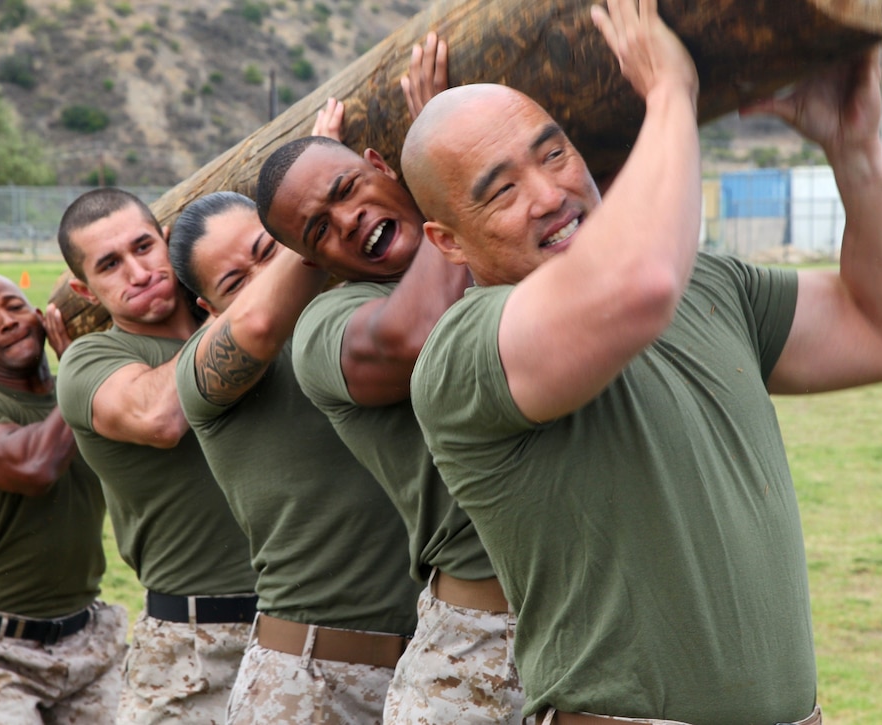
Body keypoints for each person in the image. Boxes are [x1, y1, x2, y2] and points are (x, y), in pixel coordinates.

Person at [400, 1, 882, 723]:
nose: (550, 194)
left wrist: (857, 152)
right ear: (448, 241)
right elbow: (639, 282)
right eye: (501, 190)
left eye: (554, 152)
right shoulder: (464, 354)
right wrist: (669, 90)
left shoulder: (709, 284)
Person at [255, 32, 529, 723]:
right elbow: (417, 334)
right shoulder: (329, 326)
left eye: (348, 188)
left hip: (595, 617)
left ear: (380, 164)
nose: (349, 220)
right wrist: (448, 155)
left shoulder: (498, 242)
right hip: (476, 650)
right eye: (318, 230)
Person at [169, 185, 420, 723]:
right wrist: (306, 209)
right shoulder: (201, 374)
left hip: (435, 662)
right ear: (209, 309)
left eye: (267, 251)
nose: (264, 278)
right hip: (310, 683)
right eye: (237, 282)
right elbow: (258, 320)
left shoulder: (365, 320)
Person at [54, 189, 258, 724]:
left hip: (309, 631)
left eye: (144, 247)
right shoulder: (90, 360)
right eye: (110, 265)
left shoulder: (241, 314)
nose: (138, 271)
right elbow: (160, 415)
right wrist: (260, 292)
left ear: (165, 241)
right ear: (85, 288)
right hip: (192, 649)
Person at [0, 273, 127, 724]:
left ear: (40, 317)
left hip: (89, 642)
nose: (7, 321)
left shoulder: (90, 396)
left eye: (14, 307)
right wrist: (79, 369)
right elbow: (35, 467)